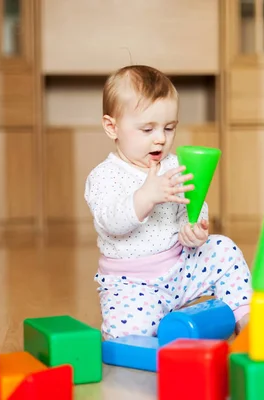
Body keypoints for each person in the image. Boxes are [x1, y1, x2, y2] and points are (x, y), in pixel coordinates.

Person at [84, 64, 253, 340]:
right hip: (131, 283)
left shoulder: (173, 165)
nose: (161, 138)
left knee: (223, 249)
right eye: (147, 129)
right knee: (130, 336)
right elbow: (110, 222)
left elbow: (191, 205)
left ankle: (244, 317)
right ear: (112, 127)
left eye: (169, 127)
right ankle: (145, 325)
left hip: (180, 268)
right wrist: (145, 196)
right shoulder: (104, 176)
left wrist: (194, 228)